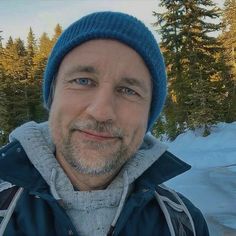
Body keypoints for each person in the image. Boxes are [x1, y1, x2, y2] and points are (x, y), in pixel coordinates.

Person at [0, 11, 209, 236]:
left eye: (129, 90)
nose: (101, 112)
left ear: (148, 116)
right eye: (83, 81)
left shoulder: (184, 224)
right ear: (53, 97)